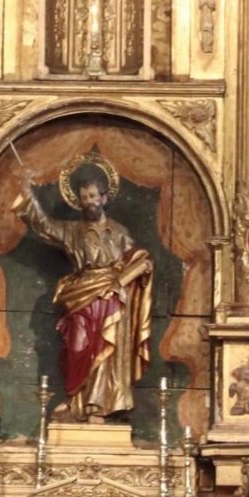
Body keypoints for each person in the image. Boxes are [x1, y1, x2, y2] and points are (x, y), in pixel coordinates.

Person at [13, 163, 153, 423]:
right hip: (81, 295)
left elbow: (137, 262)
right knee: (78, 348)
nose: (88, 202)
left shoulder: (120, 233)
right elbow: (43, 225)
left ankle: (97, 406)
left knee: (107, 349)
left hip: (112, 298)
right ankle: (77, 401)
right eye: (84, 197)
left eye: (93, 196)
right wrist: (27, 193)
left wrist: (137, 271)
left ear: (104, 198)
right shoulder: (71, 231)